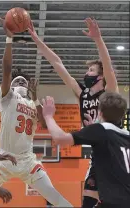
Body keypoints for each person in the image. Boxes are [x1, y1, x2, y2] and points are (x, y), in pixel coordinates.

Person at [0, 18, 72, 207]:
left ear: (28, 88)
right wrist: (8, 39)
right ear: (11, 86)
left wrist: (36, 97)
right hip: (4, 157)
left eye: (23, 82)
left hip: (27, 159)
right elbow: (6, 70)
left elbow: (44, 123)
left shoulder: (31, 103)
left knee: (56, 198)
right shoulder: (8, 98)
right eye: (17, 81)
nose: (20, 83)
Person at [28, 17, 119, 207]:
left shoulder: (109, 91)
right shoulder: (82, 94)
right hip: (99, 157)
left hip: (118, 155)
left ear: (101, 76)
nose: (87, 73)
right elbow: (57, 63)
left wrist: (98, 39)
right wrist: (37, 40)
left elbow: (108, 66)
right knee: (87, 202)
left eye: (91, 70)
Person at [42, 93, 130, 208]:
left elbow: (60, 139)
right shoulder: (126, 136)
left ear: (100, 113)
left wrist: (48, 116)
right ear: (123, 115)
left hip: (113, 202)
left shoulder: (101, 130)